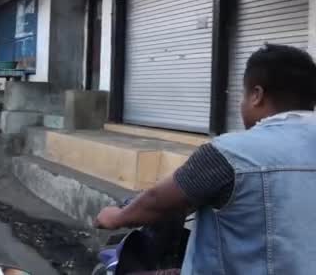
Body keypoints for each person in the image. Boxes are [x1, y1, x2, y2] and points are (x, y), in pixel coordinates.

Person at [96, 44, 316, 274]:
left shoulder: (231, 152)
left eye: (242, 94)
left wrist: (117, 217)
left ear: (256, 95)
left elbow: (157, 200)